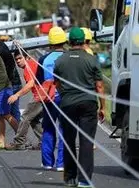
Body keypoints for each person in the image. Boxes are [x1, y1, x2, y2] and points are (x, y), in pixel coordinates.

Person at [53, 27, 106, 188]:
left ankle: (70, 178)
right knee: (86, 142)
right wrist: (103, 107)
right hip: (88, 104)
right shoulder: (91, 59)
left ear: (69, 42)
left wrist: (65, 95)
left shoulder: (60, 61)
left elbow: (57, 83)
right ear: (84, 41)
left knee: (69, 140)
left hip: (68, 104)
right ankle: (84, 180)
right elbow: (100, 86)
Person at [35, 26, 66, 171]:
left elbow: (38, 81)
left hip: (49, 97)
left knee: (48, 127)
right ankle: (61, 163)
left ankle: (47, 162)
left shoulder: (43, 58)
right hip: (66, 97)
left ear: (50, 42)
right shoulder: (68, 57)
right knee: (64, 129)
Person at [6, 49, 43, 150]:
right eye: (16, 59)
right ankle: (45, 141)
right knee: (33, 118)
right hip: (46, 95)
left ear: (26, 57)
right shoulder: (32, 63)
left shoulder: (29, 66)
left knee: (25, 117)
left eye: (20, 58)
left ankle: (18, 142)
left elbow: (31, 83)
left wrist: (16, 95)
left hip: (41, 96)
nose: (18, 61)